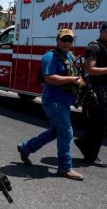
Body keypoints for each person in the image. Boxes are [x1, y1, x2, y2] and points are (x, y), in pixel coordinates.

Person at [17, 28, 85, 181]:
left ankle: (26, 147)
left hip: (64, 101)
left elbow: (72, 75)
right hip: (53, 101)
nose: (67, 43)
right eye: (64, 39)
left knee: (55, 131)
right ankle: (65, 168)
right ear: (57, 40)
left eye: (70, 40)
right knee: (67, 133)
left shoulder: (70, 56)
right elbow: (49, 78)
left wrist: (79, 82)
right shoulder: (50, 56)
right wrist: (72, 79)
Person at [74, 23, 107, 168]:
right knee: (99, 125)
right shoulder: (94, 47)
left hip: (104, 90)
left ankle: (82, 142)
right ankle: (90, 157)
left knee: (99, 124)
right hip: (95, 91)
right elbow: (90, 70)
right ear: (101, 31)